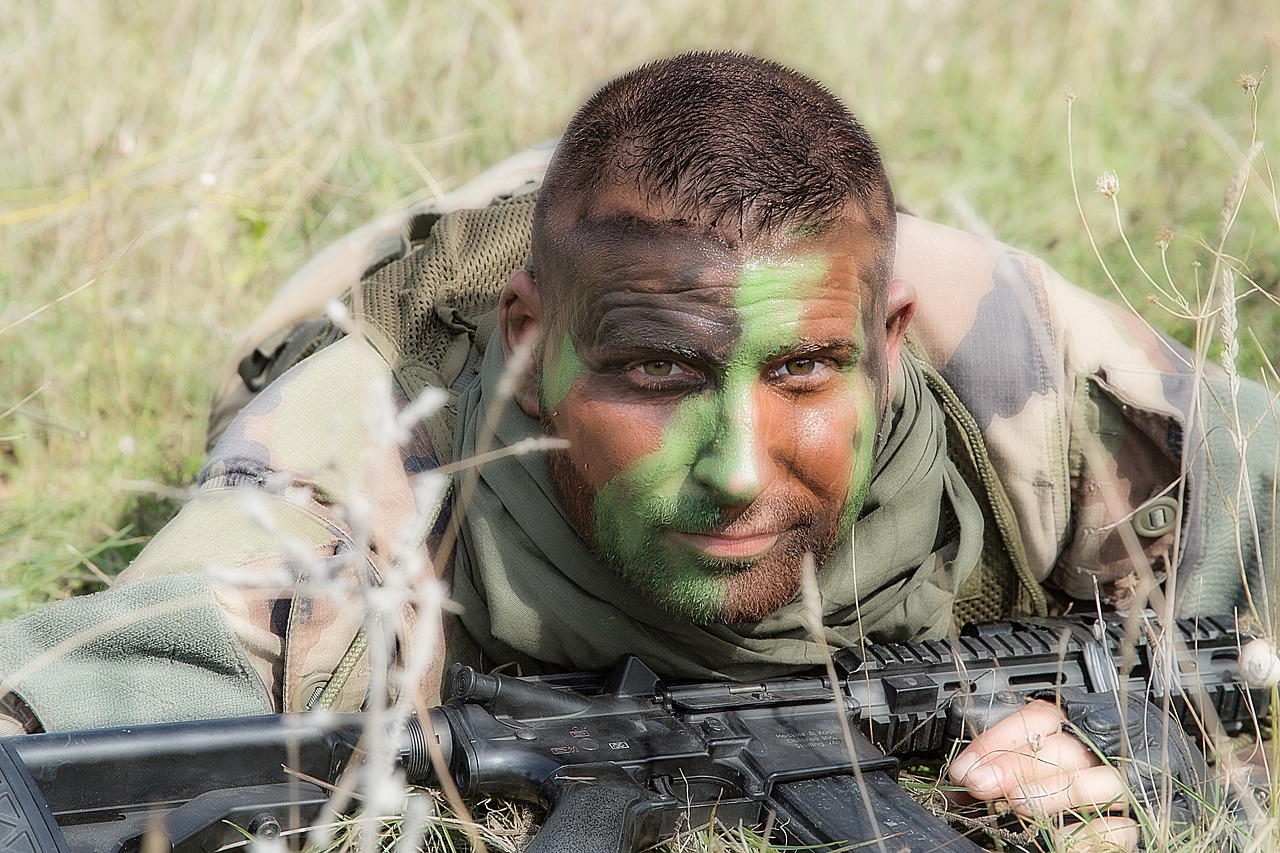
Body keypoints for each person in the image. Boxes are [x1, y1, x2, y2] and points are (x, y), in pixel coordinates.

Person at [1, 51, 1275, 849]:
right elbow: (74, 715)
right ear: (532, 346)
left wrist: (1157, 736)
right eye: (654, 376)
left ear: (881, 350)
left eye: (799, 376)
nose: (733, 465)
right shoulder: (369, 458)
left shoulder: (1030, 380)